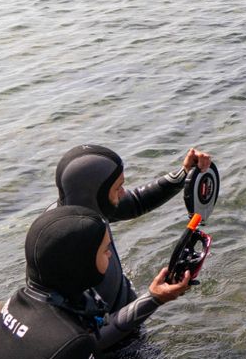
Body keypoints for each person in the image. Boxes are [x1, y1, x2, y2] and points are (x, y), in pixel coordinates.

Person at [0, 206, 191, 359]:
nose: (110, 253)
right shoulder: (72, 344)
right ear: (81, 263)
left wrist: (154, 297)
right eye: (105, 249)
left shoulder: (19, 301)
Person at [55, 144, 207, 348]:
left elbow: (135, 202)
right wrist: (154, 299)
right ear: (95, 195)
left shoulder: (85, 210)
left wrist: (184, 175)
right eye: (118, 188)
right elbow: (85, 341)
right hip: (117, 350)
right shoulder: (66, 254)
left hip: (129, 317)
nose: (123, 192)